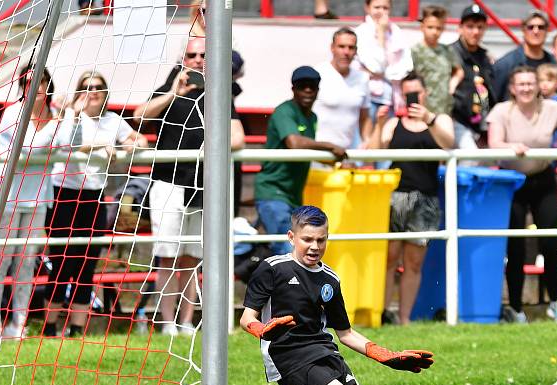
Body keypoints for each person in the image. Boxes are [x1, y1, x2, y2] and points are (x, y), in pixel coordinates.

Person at [240, 205, 438, 385]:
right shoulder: (273, 269)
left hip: (323, 350)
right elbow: (246, 318)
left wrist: (386, 355)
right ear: (291, 237)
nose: (314, 246)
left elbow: (345, 333)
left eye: (320, 240)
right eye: (307, 239)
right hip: (288, 356)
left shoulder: (329, 280)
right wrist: (261, 331)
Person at [133, 36, 245, 336]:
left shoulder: (220, 93)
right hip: (168, 184)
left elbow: (238, 138)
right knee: (168, 256)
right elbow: (139, 116)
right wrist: (173, 93)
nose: (197, 60)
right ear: (183, 59)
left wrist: (213, 142)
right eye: (192, 54)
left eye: (203, 54)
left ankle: (185, 322)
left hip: (202, 187)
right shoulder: (169, 89)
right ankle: (167, 322)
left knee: (193, 259)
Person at [43, 71, 147, 337]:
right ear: (79, 91)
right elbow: (69, 146)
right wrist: (98, 141)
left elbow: (139, 139)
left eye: (99, 87)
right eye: (87, 87)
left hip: (95, 196)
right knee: (61, 263)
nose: (93, 92)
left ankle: (77, 328)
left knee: (87, 263)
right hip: (64, 194)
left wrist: (128, 148)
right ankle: (51, 327)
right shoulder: (69, 118)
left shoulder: (113, 120)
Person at [487, 65, 557, 323]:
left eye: (530, 83)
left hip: (543, 180)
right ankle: (517, 308)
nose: (526, 88)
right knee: (515, 248)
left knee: (551, 242)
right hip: (513, 183)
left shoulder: (552, 108)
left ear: (538, 86)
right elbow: (493, 142)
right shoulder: (501, 111)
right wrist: (511, 146)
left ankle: (556, 301)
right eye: (521, 84)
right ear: (512, 88)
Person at [0, 65, 75, 338]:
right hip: (7, 196)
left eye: (41, 82)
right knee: (1, 261)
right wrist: (59, 124)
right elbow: (28, 149)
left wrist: (67, 115)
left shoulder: (58, 118)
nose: (35, 87)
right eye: (29, 82)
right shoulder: (13, 113)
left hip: (37, 197)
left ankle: (18, 323)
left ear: (48, 86)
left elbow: (68, 145)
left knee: (26, 262)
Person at [368, 72, 454, 325]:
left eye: (416, 92)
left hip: (426, 199)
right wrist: (379, 124)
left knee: (413, 263)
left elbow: (449, 144)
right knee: (389, 258)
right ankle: (383, 314)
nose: (412, 98)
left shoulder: (440, 121)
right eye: (407, 94)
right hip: (395, 197)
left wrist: (429, 119)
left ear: (425, 93)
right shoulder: (394, 124)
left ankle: (404, 318)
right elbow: (372, 153)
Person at [254, 66, 346, 256]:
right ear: (293, 89)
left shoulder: (311, 117)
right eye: (302, 86)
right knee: (288, 252)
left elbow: (306, 149)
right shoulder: (284, 111)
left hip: (292, 196)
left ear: (317, 90)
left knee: (292, 254)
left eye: (312, 86)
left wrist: (337, 161)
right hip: (274, 192)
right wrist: (330, 146)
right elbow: (294, 142)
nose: (307, 91)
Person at [312, 27, 371, 153]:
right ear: (332, 48)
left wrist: (366, 140)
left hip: (346, 153)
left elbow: (365, 116)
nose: (346, 52)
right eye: (341, 46)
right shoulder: (317, 73)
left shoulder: (363, 78)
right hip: (317, 152)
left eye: (351, 47)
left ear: (356, 51)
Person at [355, 0, 412, 118]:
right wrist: (381, 33)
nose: (381, 12)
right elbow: (377, 67)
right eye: (377, 7)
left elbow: (406, 67)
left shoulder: (396, 32)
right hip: (369, 98)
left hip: (393, 99)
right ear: (367, 8)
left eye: (385, 8)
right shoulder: (361, 33)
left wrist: (382, 74)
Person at [451, 4, 494, 156]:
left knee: (489, 163)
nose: (475, 32)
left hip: (481, 124)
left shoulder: (486, 57)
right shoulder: (450, 54)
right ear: (460, 28)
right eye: (470, 26)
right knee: (470, 158)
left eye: (480, 27)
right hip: (457, 121)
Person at [410, 5, 463, 117]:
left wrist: (452, 86)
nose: (434, 32)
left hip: (444, 108)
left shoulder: (447, 50)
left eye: (439, 28)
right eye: (430, 27)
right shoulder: (415, 51)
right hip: (423, 111)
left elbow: (459, 71)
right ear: (422, 27)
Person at [492, 10, 556, 103]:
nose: (536, 31)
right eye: (531, 27)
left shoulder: (553, 62)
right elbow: (494, 100)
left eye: (541, 27)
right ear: (523, 29)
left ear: (547, 30)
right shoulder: (505, 65)